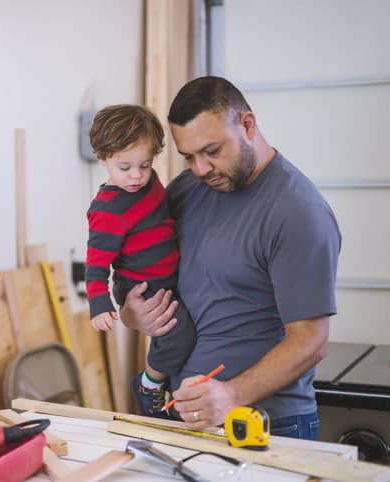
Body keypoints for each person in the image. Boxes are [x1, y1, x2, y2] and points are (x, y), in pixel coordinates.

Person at [120, 76, 342, 439]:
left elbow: (310, 342)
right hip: (187, 418)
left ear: (248, 125)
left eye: (212, 151)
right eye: (189, 156)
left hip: (269, 426)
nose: (201, 168)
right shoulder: (188, 190)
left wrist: (230, 395)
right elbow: (148, 277)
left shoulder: (298, 212)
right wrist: (134, 313)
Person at [85, 104, 196, 418]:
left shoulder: (150, 181)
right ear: (102, 157)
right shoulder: (108, 210)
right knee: (178, 333)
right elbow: (95, 262)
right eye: (125, 167)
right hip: (141, 282)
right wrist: (99, 304)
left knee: (183, 327)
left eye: (145, 165)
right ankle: (149, 383)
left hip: (165, 274)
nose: (136, 175)